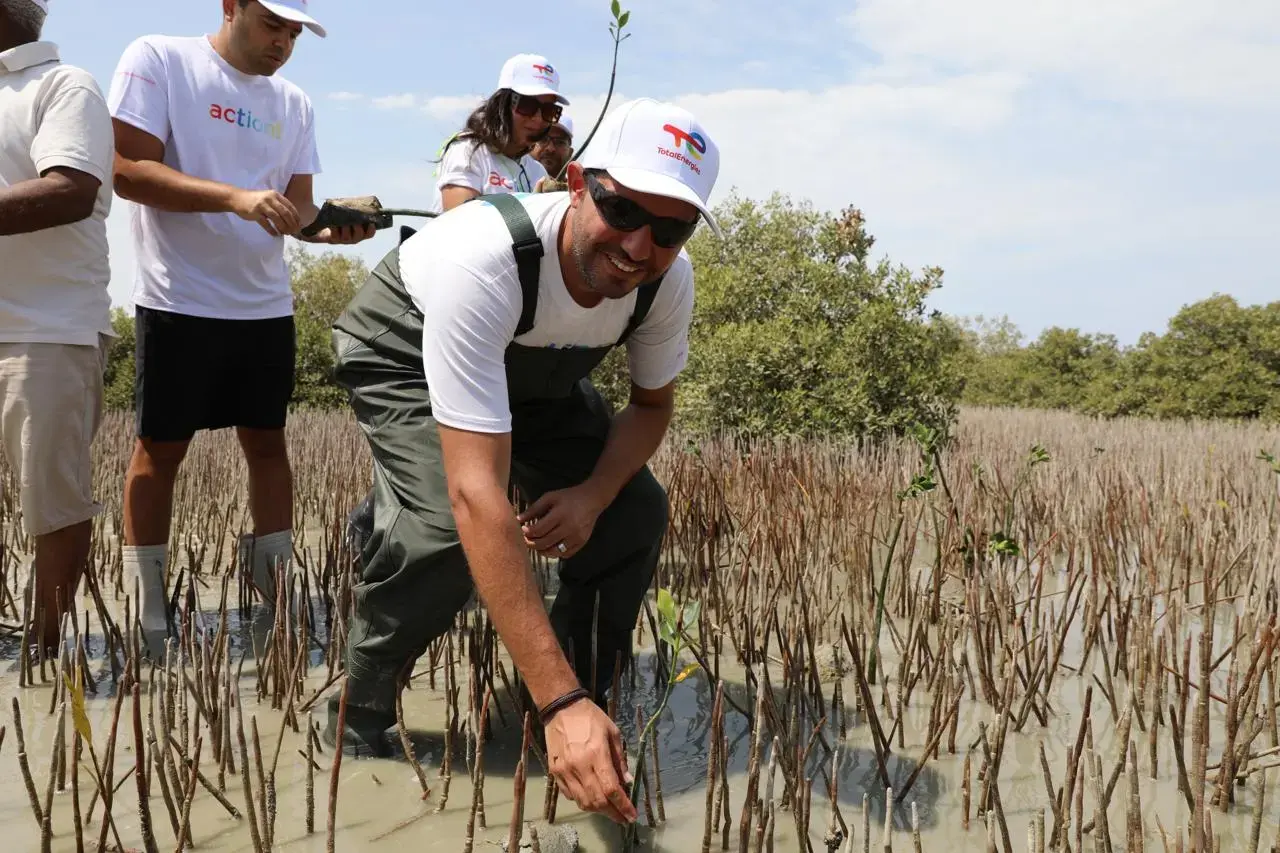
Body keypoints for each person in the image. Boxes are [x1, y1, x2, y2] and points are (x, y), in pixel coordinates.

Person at [326, 97, 722, 825]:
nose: (639, 248)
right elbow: (481, 491)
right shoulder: (485, 257)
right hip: (404, 343)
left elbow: (651, 408)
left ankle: (581, 707)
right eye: (625, 210)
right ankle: (360, 708)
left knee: (636, 510)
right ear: (577, 183)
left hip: (534, 370)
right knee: (449, 529)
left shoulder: (668, 281)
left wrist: (594, 496)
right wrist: (557, 698)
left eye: (670, 229)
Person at [106, 0, 376, 657]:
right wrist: (233, 196)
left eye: (294, 32)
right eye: (270, 24)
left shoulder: (295, 103)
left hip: (263, 306)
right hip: (177, 299)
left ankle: (275, 605)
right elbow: (125, 170)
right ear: (231, 6)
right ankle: (149, 618)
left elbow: (299, 207)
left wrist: (332, 226)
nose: (283, 42)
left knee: (268, 443)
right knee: (159, 449)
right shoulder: (159, 60)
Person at [0, 0, 114, 653]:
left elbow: (70, 186)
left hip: (44, 330)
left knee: (52, 501)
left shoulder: (63, 84)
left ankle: (43, 651)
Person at [426, 52, 567, 214]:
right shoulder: (467, 152)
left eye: (549, 111)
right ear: (502, 103)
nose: (537, 118)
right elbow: (460, 227)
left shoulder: (538, 171)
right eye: (526, 105)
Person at [531, 114, 573, 183]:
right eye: (543, 139)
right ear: (529, 145)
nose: (550, 149)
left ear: (570, 153)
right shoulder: (511, 184)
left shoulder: (579, 191)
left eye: (559, 142)